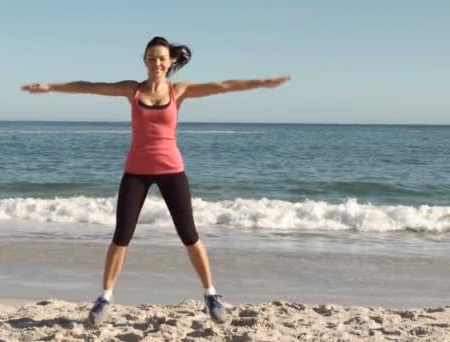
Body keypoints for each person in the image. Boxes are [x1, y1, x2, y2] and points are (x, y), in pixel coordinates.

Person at [21, 36, 290, 325]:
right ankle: (104, 298)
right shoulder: (131, 90)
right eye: (151, 57)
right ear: (145, 60)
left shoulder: (179, 90)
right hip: (135, 171)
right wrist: (51, 88)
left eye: (162, 58)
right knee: (121, 236)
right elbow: (90, 87)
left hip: (171, 170)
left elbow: (223, 86)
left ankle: (211, 294)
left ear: (170, 61)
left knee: (189, 234)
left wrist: (262, 82)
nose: (157, 62)